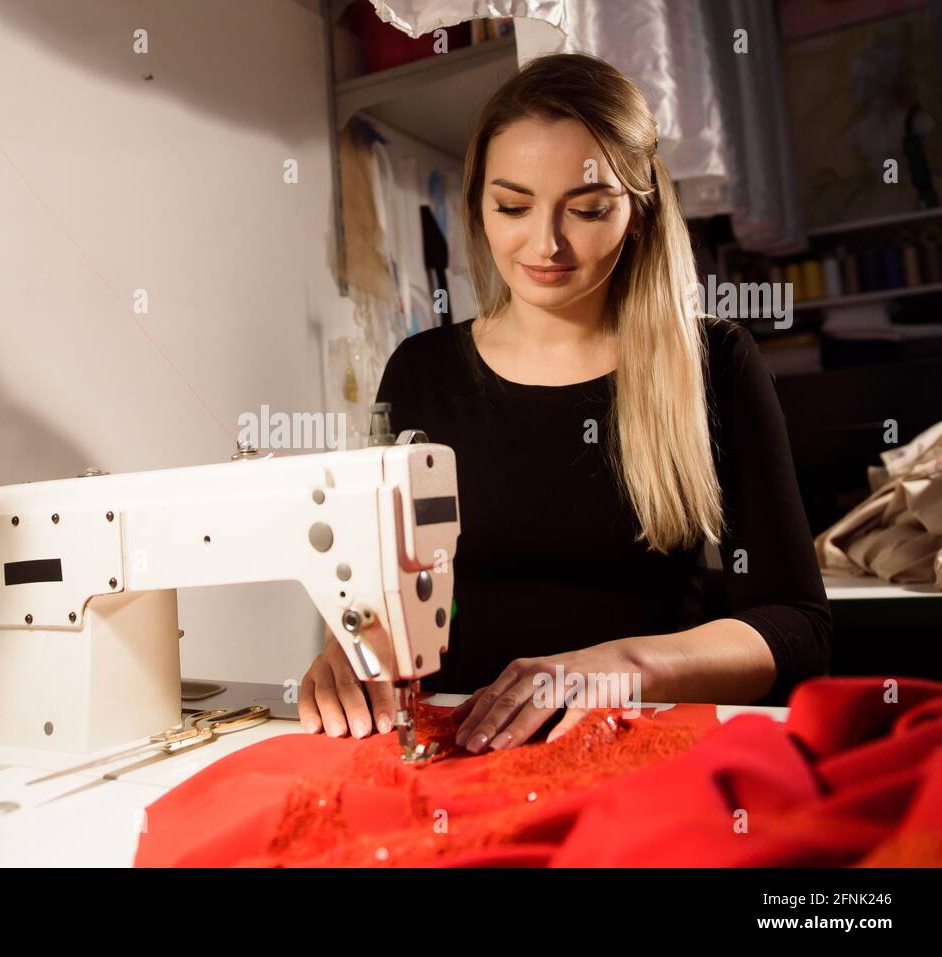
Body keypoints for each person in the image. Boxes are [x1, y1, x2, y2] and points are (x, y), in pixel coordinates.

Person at [297, 52, 832, 754]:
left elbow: (796, 625)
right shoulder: (420, 371)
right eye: (512, 206)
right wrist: (354, 649)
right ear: (478, 203)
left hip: (643, 744)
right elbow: (375, 595)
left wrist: (622, 666)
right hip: (464, 749)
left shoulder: (714, 363)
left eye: (586, 210)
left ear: (637, 214)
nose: (545, 244)